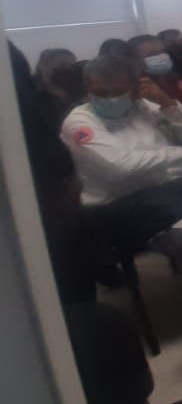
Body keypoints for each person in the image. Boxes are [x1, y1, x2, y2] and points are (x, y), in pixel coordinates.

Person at [60, 55, 182, 260]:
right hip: (114, 205)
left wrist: (167, 104)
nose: (110, 99)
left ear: (135, 88)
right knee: (175, 203)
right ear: (87, 88)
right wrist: (178, 154)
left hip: (167, 188)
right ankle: (181, 232)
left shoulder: (145, 107)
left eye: (118, 92)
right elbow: (119, 168)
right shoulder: (79, 121)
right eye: (100, 93)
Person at [11, 42, 95, 304]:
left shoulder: (83, 99)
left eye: (70, 66)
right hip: (47, 178)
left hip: (70, 171)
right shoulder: (40, 102)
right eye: (59, 67)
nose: (66, 71)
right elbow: (43, 137)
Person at [127, 34, 182, 111]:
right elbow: (168, 115)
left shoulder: (177, 75)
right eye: (151, 54)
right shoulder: (141, 87)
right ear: (134, 60)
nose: (161, 56)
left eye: (163, 51)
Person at [34, 47, 84, 129]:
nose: (68, 69)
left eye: (72, 66)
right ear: (44, 67)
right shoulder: (35, 97)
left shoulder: (77, 94)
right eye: (62, 65)